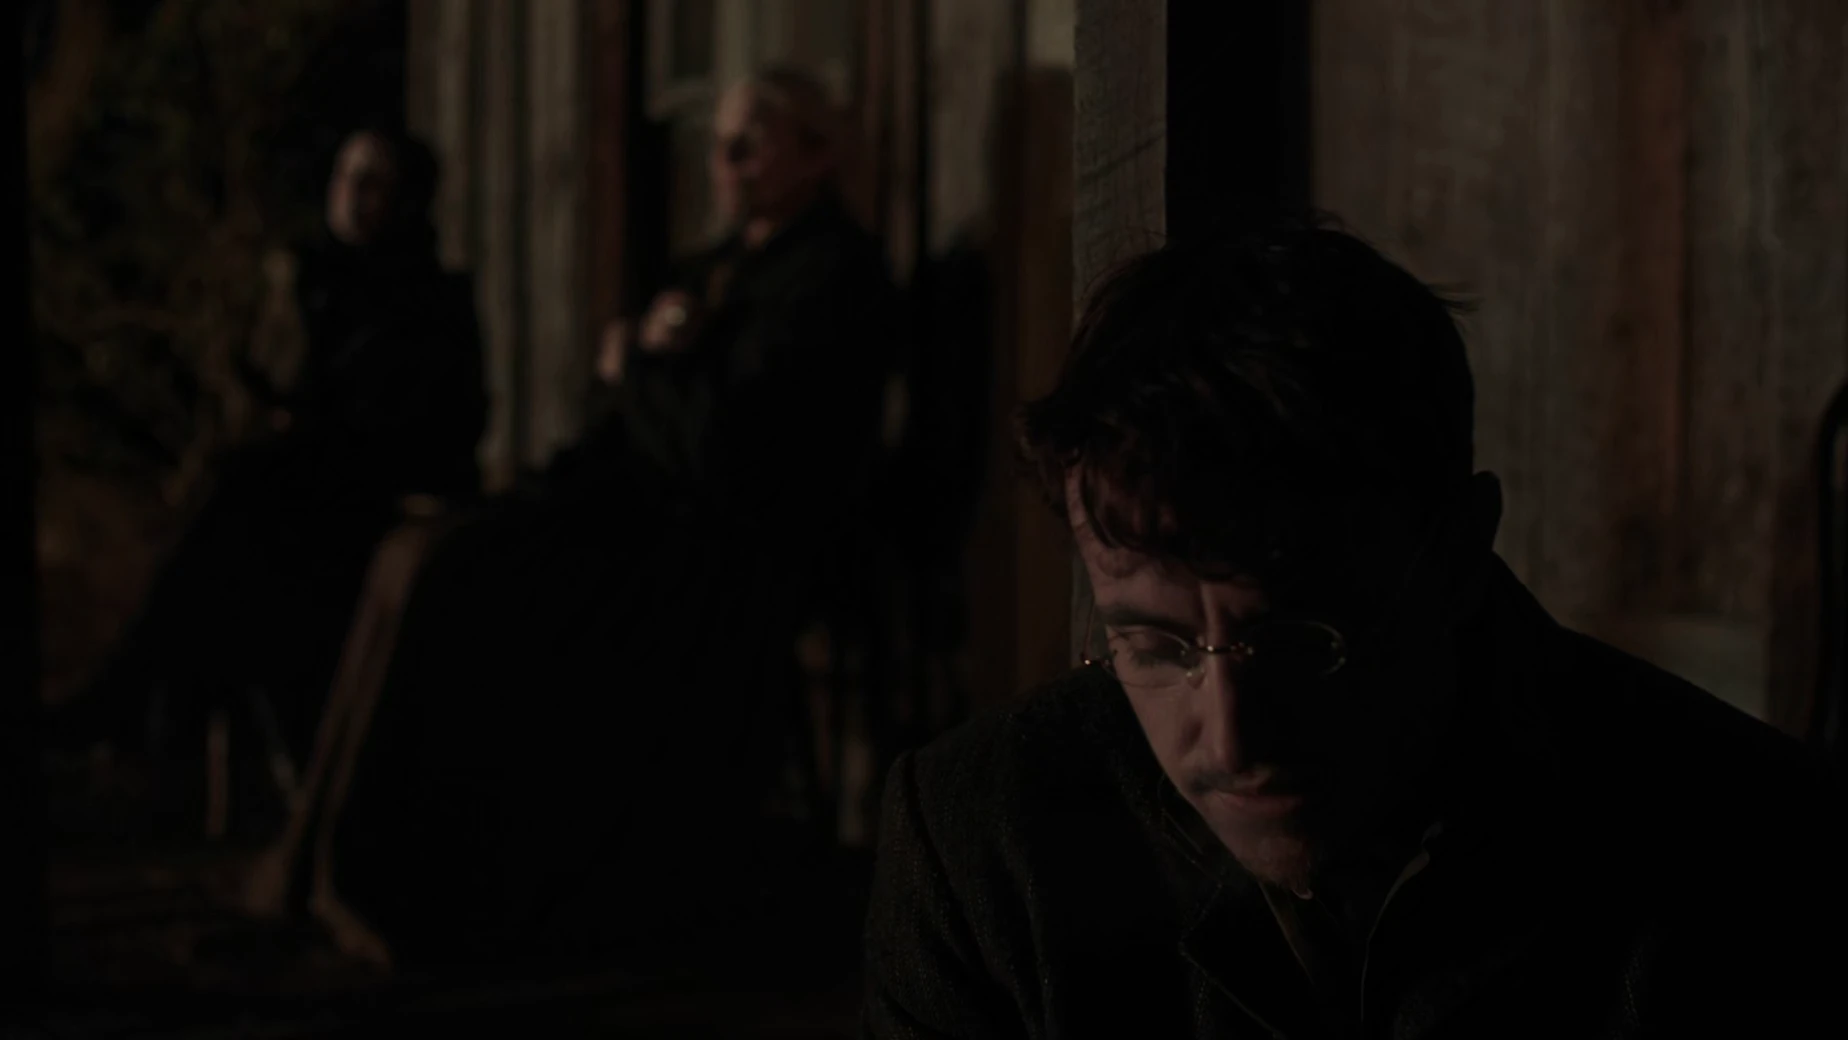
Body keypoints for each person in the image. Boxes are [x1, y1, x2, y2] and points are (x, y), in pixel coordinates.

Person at [862, 214, 1848, 1037]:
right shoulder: (984, 845)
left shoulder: (1750, 857)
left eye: (1301, 643)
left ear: (1459, 552)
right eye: (1154, 646)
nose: (1232, 738)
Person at [243, 67, 897, 973]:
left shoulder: (831, 277)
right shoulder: (719, 265)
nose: (725, 161)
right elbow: (628, 417)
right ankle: (312, 858)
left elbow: (727, 453)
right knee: (407, 549)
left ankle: (392, 879)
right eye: (718, 144)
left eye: (750, 144)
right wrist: (628, 379)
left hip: (706, 547)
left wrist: (643, 367)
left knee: (450, 572)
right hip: (625, 506)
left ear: (817, 156)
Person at [50, 125, 487, 778]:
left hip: (373, 497)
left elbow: (440, 423)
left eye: (372, 182)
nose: (351, 195)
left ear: (406, 199)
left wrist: (330, 426)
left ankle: (138, 706)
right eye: (344, 176)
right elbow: (269, 386)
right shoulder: (312, 284)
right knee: (240, 530)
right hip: (298, 495)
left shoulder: (431, 302)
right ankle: (151, 710)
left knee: (243, 505)